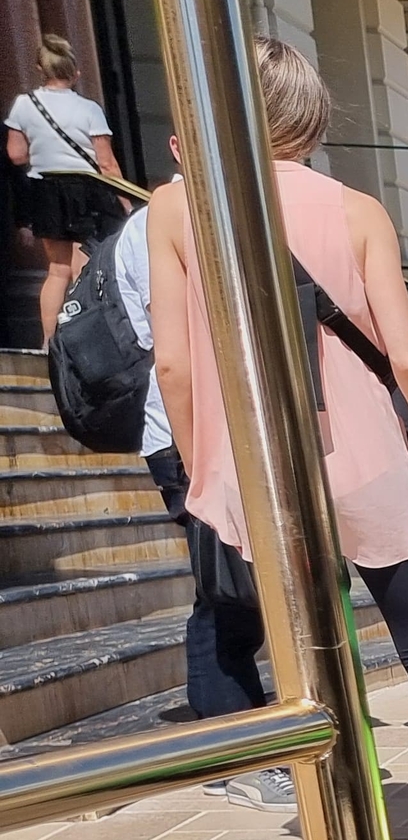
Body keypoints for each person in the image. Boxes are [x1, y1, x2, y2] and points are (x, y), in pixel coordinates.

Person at [150, 38, 408, 840]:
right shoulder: (357, 209)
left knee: (309, 658)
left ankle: (354, 835)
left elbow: (174, 364)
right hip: (363, 454)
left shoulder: (179, 211)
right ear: (310, 112)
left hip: (259, 463)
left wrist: (199, 461)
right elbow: (406, 357)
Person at [117, 170, 267, 720]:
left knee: (230, 594)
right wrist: (193, 457)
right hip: (193, 433)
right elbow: (173, 356)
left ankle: (239, 732)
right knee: (224, 598)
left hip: (207, 432)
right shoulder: (161, 220)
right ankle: (233, 748)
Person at [7, 34, 125, 341]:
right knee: (83, 267)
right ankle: (84, 337)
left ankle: (49, 341)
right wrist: (125, 199)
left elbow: (16, 155)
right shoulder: (89, 109)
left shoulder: (23, 105)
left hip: (45, 189)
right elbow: (106, 162)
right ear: (76, 72)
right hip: (85, 189)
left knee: (57, 270)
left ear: (39, 68)